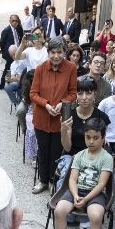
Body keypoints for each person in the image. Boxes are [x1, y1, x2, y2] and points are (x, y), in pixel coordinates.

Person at [50, 119, 114, 229]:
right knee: (59, 210)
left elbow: (101, 184)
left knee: (96, 216)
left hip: (95, 194)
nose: (91, 141)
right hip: (76, 190)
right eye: (88, 137)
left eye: (96, 137)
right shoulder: (79, 155)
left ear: (103, 138)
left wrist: (86, 199)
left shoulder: (106, 157)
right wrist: (76, 195)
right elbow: (72, 179)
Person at [30, 39, 78, 194]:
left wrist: (62, 103)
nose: (56, 56)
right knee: (43, 150)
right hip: (42, 117)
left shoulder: (71, 68)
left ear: (64, 52)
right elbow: (33, 93)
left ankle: (53, 180)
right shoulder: (40, 69)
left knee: (57, 151)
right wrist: (46, 104)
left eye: (59, 52)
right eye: (53, 52)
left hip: (60, 118)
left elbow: (73, 93)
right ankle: (43, 180)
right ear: (48, 52)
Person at [0, 13, 24, 90]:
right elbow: (1, 42)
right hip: (10, 53)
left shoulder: (19, 28)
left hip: (18, 51)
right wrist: (5, 52)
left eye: (16, 21)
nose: (15, 22)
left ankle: (15, 82)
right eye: (13, 21)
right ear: (10, 21)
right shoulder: (6, 30)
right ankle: (3, 84)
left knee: (17, 67)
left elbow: (21, 38)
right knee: (8, 68)